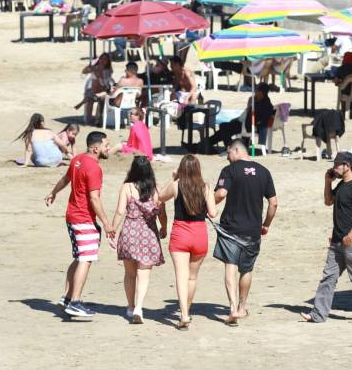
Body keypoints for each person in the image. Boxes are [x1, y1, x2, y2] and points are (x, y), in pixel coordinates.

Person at [45, 131, 114, 317]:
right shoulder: (94, 168)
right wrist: (107, 224)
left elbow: (65, 179)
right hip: (83, 218)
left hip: (72, 216)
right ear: (96, 148)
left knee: (78, 257)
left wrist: (53, 192)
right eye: (106, 145)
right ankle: (75, 301)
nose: (109, 148)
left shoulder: (77, 159)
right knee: (86, 258)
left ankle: (67, 298)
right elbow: (94, 199)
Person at [301, 152, 352, 323]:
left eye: (337, 164)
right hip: (336, 241)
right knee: (328, 277)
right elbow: (328, 201)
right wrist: (327, 182)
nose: (334, 167)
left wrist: (351, 235)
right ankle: (318, 314)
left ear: (347, 166)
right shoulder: (341, 185)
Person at [213, 139, 278, 326]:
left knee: (230, 267)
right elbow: (273, 203)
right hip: (252, 230)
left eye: (228, 153)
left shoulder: (230, 170)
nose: (227, 158)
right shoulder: (264, 172)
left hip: (230, 229)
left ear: (236, 150)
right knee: (246, 269)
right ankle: (242, 307)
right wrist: (266, 224)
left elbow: (221, 194)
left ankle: (232, 308)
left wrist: (208, 205)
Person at [159, 154, 217, 330]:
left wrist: (173, 177)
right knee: (192, 277)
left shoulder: (177, 186)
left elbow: (159, 196)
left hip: (180, 234)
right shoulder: (205, 187)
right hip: (199, 233)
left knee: (180, 275)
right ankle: (187, 310)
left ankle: (183, 314)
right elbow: (213, 213)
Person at [111, 156, 168, 324]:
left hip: (129, 232)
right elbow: (162, 214)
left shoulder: (127, 187)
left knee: (129, 274)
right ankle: (139, 307)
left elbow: (120, 211)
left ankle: (130, 306)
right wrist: (164, 228)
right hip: (148, 234)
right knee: (144, 274)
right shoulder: (157, 190)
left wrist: (112, 230)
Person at [207, 82, 275, 150]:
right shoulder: (266, 102)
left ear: (260, 92)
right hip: (247, 124)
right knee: (222, 131)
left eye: (256, 91)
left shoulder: (260, 105)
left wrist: (251, 104)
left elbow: (252, 117)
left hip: (247, 126)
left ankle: (230, 147)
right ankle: (205, 144)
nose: (255, 92)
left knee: (223, 126)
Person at [76, 53, 114, 125]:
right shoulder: (94, 67)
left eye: (105, 59)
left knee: (100, 98)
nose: (103, 61)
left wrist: (98, 74)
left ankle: (98, 117)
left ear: (108, 61)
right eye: (102, 59)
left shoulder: (108, 70)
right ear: (99, 59)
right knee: (90, 98)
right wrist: (89, 68)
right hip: (93, 89)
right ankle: (88, 119)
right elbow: (84, 73)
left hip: (103, 89)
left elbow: (104, 83)